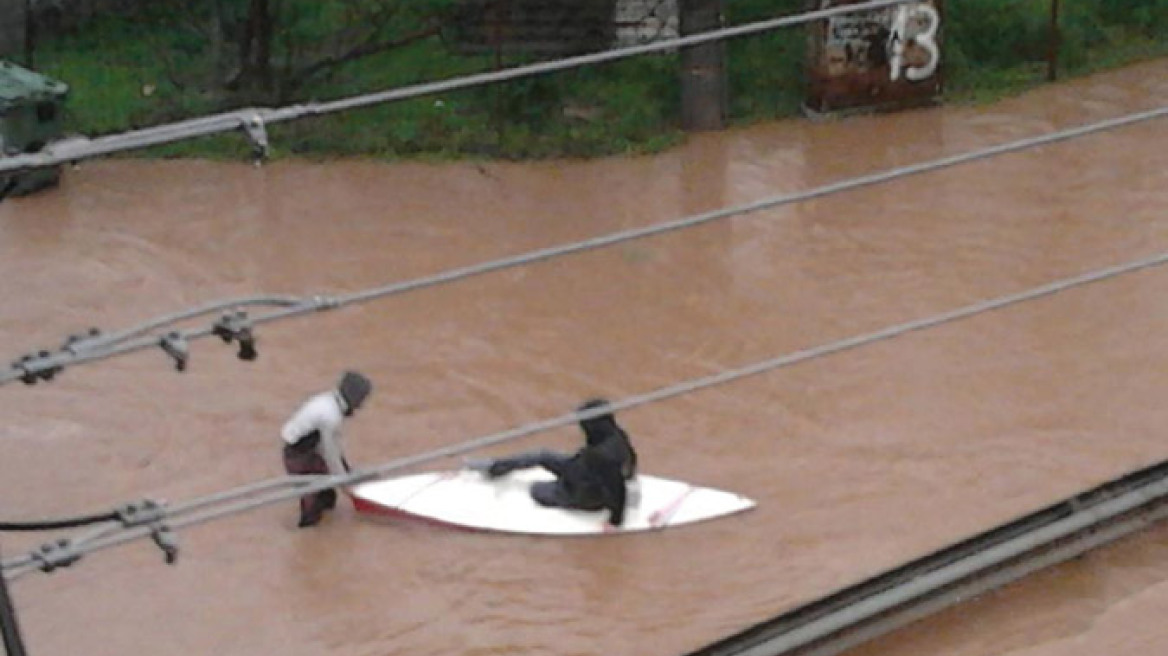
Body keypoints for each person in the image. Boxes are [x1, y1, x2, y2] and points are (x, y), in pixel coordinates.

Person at [474, 398, 638, 527]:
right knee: (542, 455)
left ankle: (559, 493)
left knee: (535, 490)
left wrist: (615, 521)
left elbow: (617, 488)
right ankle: (494, 468)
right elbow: (631, 457)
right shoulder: (616, 434)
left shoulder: (603, 455)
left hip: (585, 494)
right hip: (580, 468)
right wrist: (630, 475)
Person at [280, 370, 373, 528]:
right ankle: (305, 535)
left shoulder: (330, 402)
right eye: (359, 403)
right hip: (297, 453)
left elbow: (334, 446)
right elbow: (329, 453)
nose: (359, 408)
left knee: (328, 498)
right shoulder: (330, 415)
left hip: (313, 447)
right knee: (311, 506)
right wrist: (345, 483)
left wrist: (347, 471)